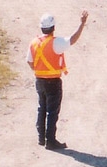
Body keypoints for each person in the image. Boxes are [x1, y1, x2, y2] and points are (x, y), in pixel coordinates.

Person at [26, 9, 88, 149]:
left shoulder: (34, 43)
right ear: (53, 27)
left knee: (42, 108)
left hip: (39, 80)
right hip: (53, 81)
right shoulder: (56, 42)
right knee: (52, 111)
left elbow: (29, 61)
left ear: (42, 27)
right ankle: (51, 140)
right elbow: (72, 39)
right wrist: (82, 24)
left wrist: (38, 71)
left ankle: (41, 138)